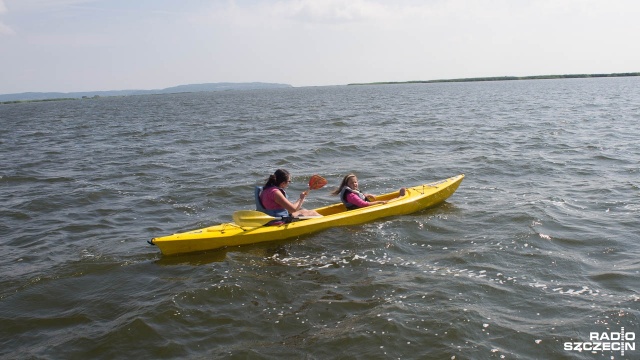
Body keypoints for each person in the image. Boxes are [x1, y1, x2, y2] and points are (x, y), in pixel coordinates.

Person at [331, 173, 406, 210]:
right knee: (385, 202)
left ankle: (399, 197)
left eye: (355, 182)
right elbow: (364, 204)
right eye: (351, 183)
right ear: (347, 184)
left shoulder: (352, 192)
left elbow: (359, 196)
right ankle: (400, 197)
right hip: (360, 210)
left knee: (383, 201)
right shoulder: (350, 195)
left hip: (360, 208)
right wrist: (379, 202)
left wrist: (367, 195)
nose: (354, 184)